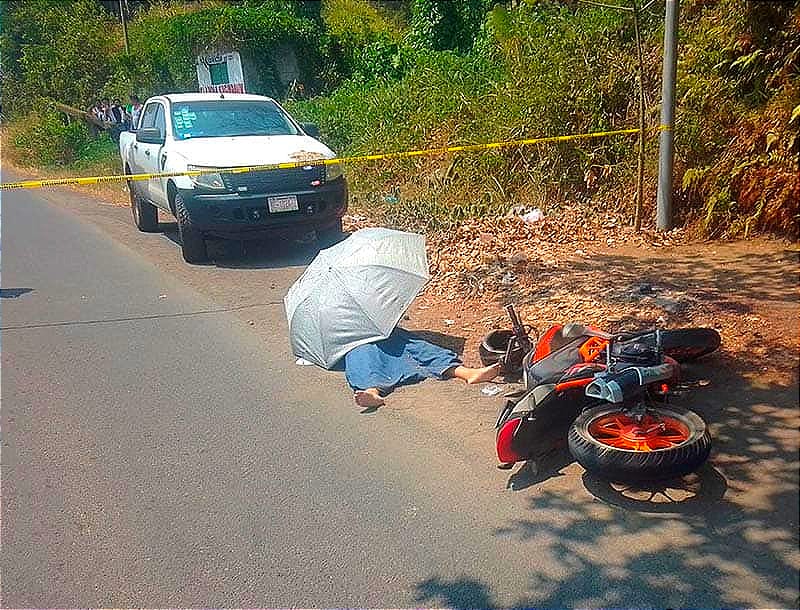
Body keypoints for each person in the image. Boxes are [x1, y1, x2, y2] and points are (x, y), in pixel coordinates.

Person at [344, 327, 502, 408]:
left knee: (416, 346)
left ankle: (466, 373)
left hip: (382, 331)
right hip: (351, 340)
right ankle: (372, 391)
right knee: (364, 355)